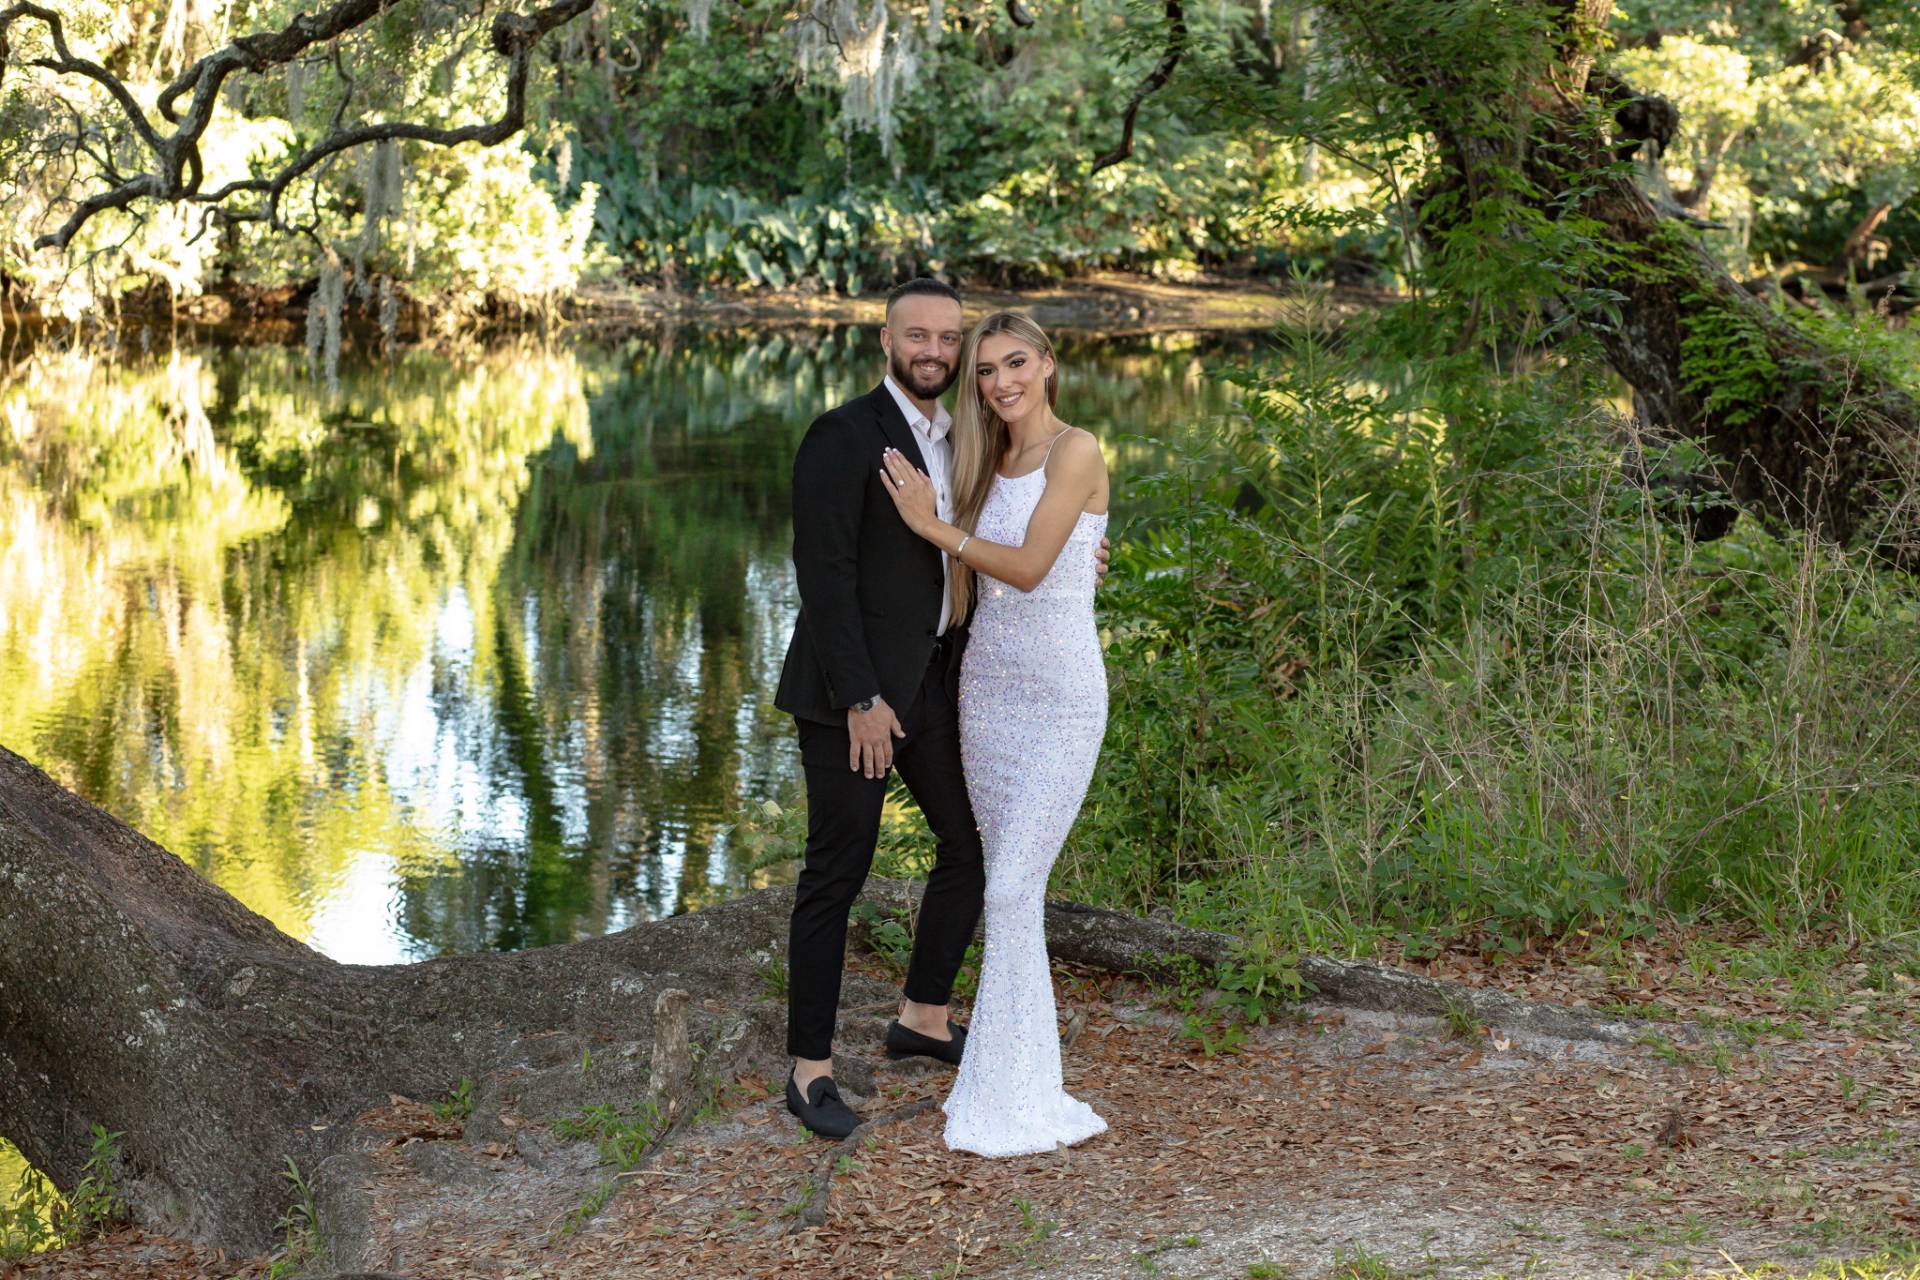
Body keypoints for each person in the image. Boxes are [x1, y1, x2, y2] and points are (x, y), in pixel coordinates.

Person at [773, 281, 1109, 1139]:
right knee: (837, 869)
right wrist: (858, 698)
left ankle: (922, 1016)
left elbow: (1012, 546)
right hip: (854, 697)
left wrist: (1078, 554)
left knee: (967, 847)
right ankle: (808, 1070)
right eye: (916, 335)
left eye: (949, 339)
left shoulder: (967, 441)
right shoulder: (842, 435)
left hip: (935, 683)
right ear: (885, 340)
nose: (935, 351)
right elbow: (824, 580)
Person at [876, 310, 1110, 1156]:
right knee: (1014, 891)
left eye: (1016, 364)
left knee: (1010, 888)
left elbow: (1028, 565)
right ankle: (1012, 1074)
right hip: (990, 694)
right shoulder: (985, 457)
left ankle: (1015, 1084)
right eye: (985, 371)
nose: (1000, 382)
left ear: (1048, 364)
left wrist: (930, 522)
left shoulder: (1076, 449)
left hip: (1061, 698)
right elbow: (974, 578)